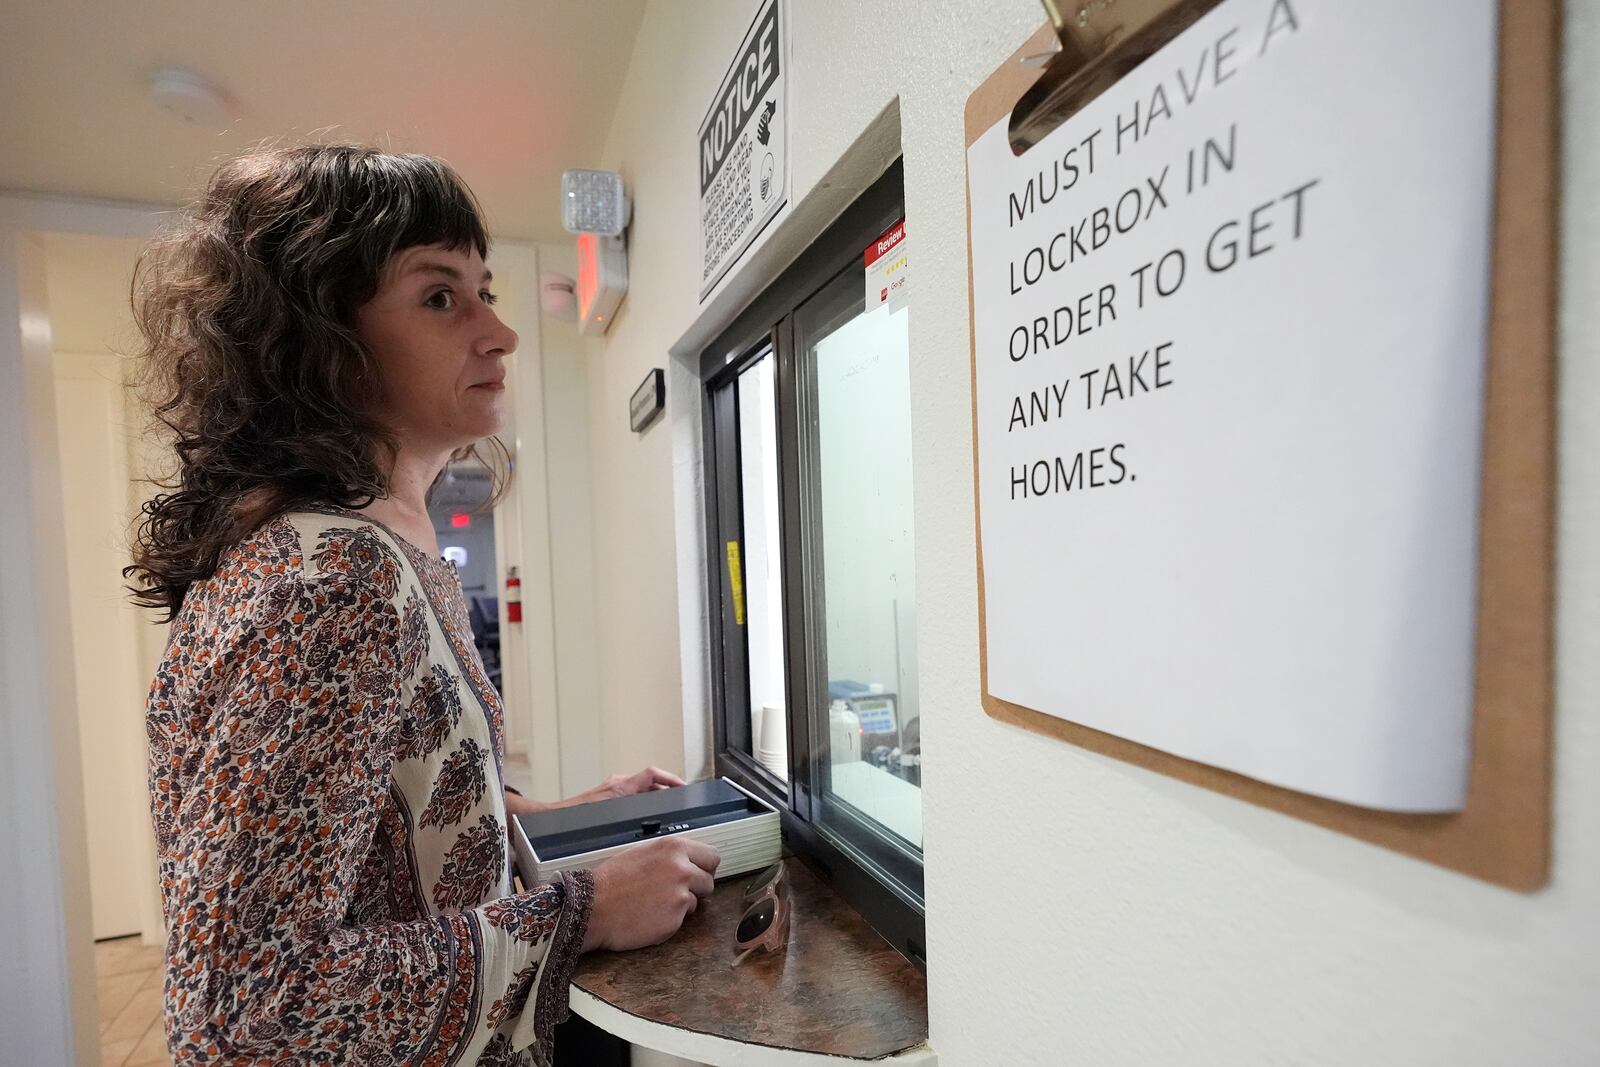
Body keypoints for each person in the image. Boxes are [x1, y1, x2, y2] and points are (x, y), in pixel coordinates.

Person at [125, 144, 720, 1067]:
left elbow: (379, 810)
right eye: (441, 296)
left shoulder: (390, 549)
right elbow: (249, 1013)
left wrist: (545, 816)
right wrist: (583, 912)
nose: (500, 333)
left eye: (486, 290)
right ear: (319, 338)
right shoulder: (329, 585)